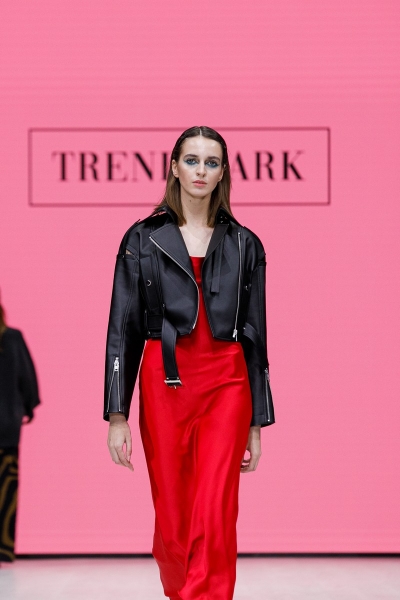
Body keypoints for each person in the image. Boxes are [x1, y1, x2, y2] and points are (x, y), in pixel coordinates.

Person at [104, 126, 275, 600]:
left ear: (223, 173)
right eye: (192, 160)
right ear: (175, 167)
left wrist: (256, 422)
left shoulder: (245, 244)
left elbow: (256, 335)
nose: (201, 170)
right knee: (174, 521)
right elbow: (122, 327)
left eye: (211, 162)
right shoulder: (142, 239)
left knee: (215, 511)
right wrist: (117, 415)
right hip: (165, 383)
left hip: (227, 384)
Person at [0, 299, 40, 562]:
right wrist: (28, 407)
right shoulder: (12, 339)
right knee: (6, 486)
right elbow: (27, 377)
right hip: (7, 427)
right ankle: (3, 547)